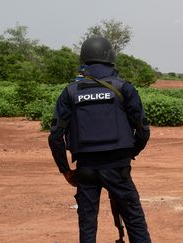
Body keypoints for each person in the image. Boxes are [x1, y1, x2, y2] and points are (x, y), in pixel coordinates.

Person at [48, 36, 151, 243]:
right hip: (118, 168)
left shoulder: (70, 92)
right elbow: (143, 131)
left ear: (84, 60)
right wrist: (129, 154)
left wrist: (65, 170)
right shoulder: (124, 88)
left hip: (85, 169)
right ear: (110, 58)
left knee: (87, 222)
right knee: (134, 219)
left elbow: (56, 137)